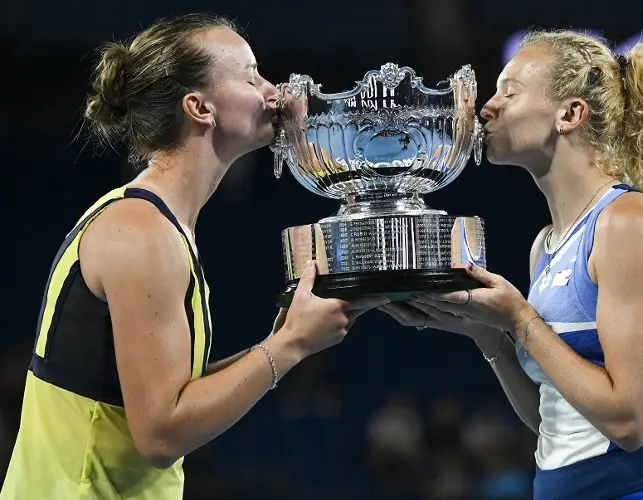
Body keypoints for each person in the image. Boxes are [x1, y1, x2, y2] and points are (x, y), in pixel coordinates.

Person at [1, 13, 386, 500]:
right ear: (199, 107)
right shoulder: (143, 234)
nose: (274, 92)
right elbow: (160, 434)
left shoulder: (157, 223)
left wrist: (284, 337)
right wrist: (289, 347)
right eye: (251, 76)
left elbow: (170, 395)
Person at [380, 30, 643, 499]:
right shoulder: (546, 245)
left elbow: (628, 421)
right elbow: (556, 420)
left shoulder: (629, 222)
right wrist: (488, 334)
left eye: (510, 91)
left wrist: (519, 320)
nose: (487, 107)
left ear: (571, 114)